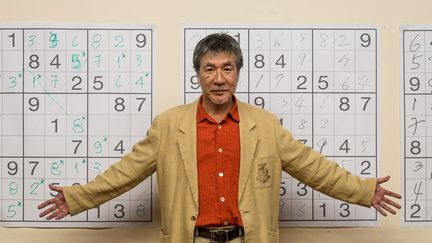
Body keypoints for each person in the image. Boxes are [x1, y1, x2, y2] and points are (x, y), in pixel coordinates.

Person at [38, 33, 401, 243]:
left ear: (238, 73)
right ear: (198, 74)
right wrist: (78, 198)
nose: (219, 78)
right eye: (209, 69)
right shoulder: (168, 125)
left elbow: (314, 168)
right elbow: (126, 172)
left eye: (227, 68)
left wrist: (363, 191)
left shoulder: (266, 126)